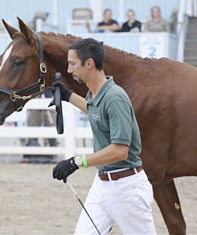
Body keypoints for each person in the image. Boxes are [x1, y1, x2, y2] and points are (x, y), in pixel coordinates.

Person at [52, 38, 156, 234]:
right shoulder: (96, 94)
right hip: (101, 186)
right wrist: (68, 96)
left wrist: (75, 162)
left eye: (72, 63)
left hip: (127, 189)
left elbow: (120, 150)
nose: (68, 70)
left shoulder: (115, 97)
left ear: (89, 63)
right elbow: (94, 111)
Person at [22, 89, 57, 163]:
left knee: (52, 126)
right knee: (32, 126)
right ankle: (31, 152)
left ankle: (53, 150)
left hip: (50, 97)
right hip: (36, 96)